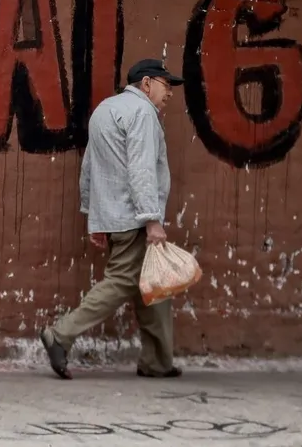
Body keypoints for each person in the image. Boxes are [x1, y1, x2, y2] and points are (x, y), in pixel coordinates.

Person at [39, 58, 184, 380]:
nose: (170, 92)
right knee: (122, 282)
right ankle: (60, 335)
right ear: (146, 83)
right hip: (134, 219)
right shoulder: (144, 112)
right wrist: (152, 219)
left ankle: (157, 361)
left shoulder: (105, 109)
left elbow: (90, 165)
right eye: (166, 84)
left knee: (154, 287)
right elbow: (141, 168)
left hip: (115, 216)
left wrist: (95, 217)